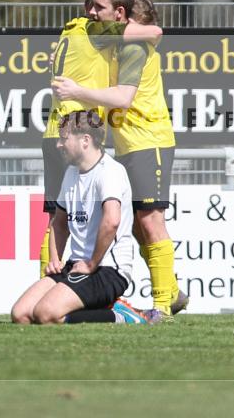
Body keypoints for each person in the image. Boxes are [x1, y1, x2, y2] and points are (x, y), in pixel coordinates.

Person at [52, 0, 185, 324]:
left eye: (103, 11)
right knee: (138, 228)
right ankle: (172, 291)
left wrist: (76, 92)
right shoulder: (115, 44)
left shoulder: (135, 47)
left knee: (150, 221)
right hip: (125, 144)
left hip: (147, 140)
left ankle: (163, 307)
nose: (96, 15)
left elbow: (123, 99)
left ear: (126, 19)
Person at [38, 0, 162, 277]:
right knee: (92, 216)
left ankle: (45, 286)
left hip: (56, 132)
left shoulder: (72, 28)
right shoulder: (97, 31)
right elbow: (155, 31)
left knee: (58, 216)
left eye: (98, 6)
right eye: (91, 6)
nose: (93, 12)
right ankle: (84, 285)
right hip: (79, 135)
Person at [13, 110, 147, 324]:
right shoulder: (71, 173)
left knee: (46, 315)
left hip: (107, 270)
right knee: (21, 314)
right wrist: (55, 260)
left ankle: (121, 315)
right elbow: (59, 223)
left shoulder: (110, 171)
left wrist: (92, 263)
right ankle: (102, 308)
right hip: (77, 266)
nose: (58, 144)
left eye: (64, 138)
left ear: (85, 140)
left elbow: (112, 221)